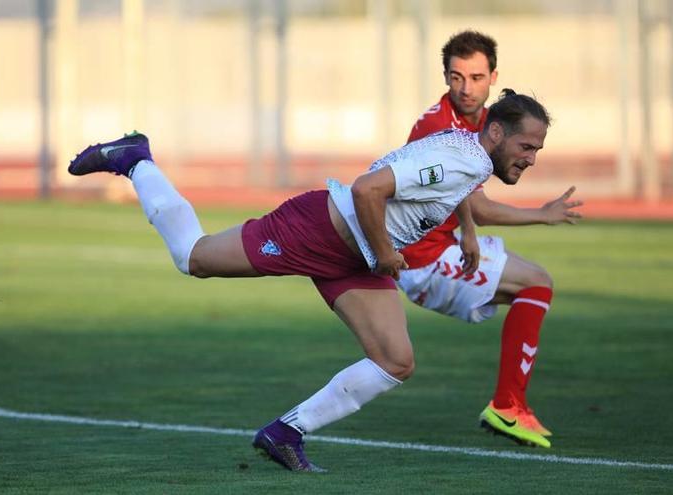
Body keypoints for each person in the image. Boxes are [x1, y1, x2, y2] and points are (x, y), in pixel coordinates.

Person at [68, 89, 551, 472]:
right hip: (316, 231)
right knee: (194, 258)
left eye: (537, 149)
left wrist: (459, 230)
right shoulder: (464, 157)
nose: (531, 158)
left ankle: (285, 433)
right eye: (526, 146)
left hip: (353, 258)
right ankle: (136, 160)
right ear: (494, 132)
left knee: (396, 361)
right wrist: (387, 254)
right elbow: (368, 188)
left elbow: (446, 188)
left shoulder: (471, 156)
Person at [400, 30, 583, 449]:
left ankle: (512, 404)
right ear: (445, 77)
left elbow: (458, 191)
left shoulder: (487, 123)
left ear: (493, 77)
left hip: (441, 247)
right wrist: (540, 215)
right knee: (535, 283)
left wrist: (466, 229)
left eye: (477, 77)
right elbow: (476, 204)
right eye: (457, 77)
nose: (466, 88)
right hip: (421, 258)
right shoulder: (435, 125)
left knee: (535, 285)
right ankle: (507, 405)